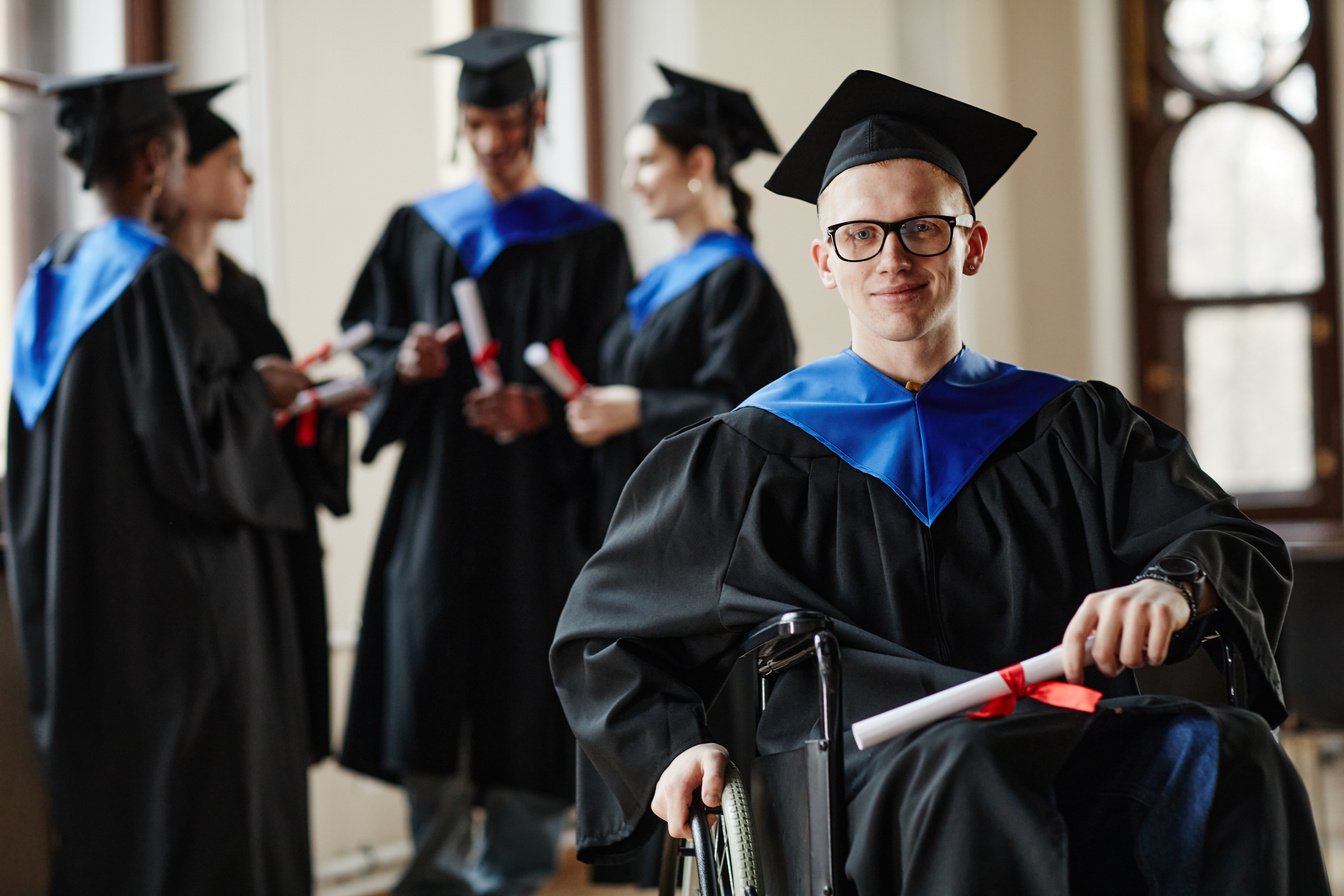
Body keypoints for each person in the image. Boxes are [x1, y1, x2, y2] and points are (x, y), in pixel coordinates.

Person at [551, 70, 1331, 894]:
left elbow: (1228, 542)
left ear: (972, 244)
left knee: (1234, 757)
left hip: (1060, 731)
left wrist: (1173, 589)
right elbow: (605, 636)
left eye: (923, 228)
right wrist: (676, 745)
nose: (892, 258)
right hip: (855, 776)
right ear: (825, 260)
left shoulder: (1075, 428)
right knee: (973, 765)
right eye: (860, 235)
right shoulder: (747, 454)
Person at [338, 27, 633, 896]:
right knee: (429, 676)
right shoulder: (420, 229)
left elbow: (620, 376)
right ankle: (430, 876)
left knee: (524, 685)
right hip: (436, 499)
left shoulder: (590, 240)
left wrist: (542, 410)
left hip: (536, 512)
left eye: (510, 122)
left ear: (537, 113)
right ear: (462, 124)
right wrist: (406, 364)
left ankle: (513, 875)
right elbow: (366, 344)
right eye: (479, 124)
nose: (497, 142)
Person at [6, 64, 313, 894]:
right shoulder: (151, 278)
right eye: (176, 160)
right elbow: (196, 447)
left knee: (118, 807)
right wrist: (261, 390)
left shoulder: (52, 273)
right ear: (150, 163)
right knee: (204, 808)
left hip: (82, 601)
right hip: (177, 608)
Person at [168, 79, 363, 763]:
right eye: (230, 160)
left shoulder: (243, 288)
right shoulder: (156, 293)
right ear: (179, 167)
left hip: (276, 533)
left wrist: (317, 404)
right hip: (207, 541)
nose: (247, 176)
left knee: (276, 721)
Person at [566, 63, 795, 530]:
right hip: (628, 514)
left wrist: (638, 410)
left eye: (647, 161)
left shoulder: (736, 281)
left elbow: (748, 415)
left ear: (698, 164)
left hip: (691, 524)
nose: (631, 181)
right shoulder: (657, 278)